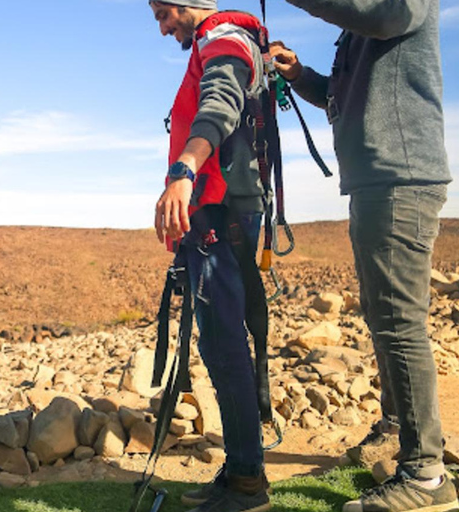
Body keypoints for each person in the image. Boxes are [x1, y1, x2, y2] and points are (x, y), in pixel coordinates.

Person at [269, 1, 459, 511]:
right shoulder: (364, 25)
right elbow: (341, 97)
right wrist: (300, 73)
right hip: (377, 181)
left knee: (400, 324)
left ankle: (425, 476)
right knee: (384, 318)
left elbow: (376, 15)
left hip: (400, 179)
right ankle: (399, 431)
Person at [149, 1, 271, 511]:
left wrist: (183, 171)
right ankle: (241, 469)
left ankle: (247, 483)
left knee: (223, 346)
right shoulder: (219, 41)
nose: (162, 27)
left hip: (220, 217)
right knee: (221, 345)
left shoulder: (221, 39)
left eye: (164, 12)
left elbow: (219, 104)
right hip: (218, 217)